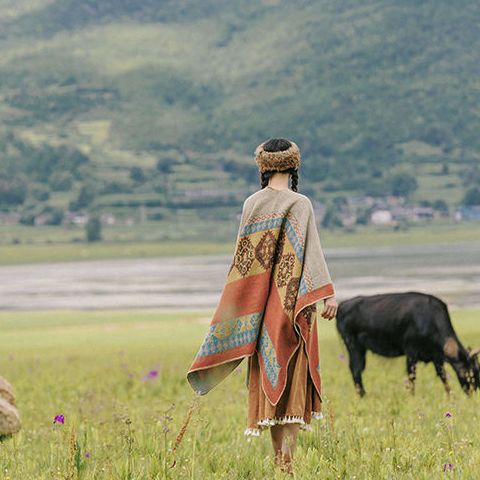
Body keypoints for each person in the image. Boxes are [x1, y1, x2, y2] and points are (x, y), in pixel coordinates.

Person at [187, 138, 337, 475]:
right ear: (294, 165)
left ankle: (278, 462)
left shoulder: (251, 204)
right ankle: (289, 465)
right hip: (295, 307)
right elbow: (312, 253)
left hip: (260, 310)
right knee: (293, 378)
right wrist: (327, 294)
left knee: (270, 373)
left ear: (263, 166)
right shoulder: (301, 204)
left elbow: (243, 263)